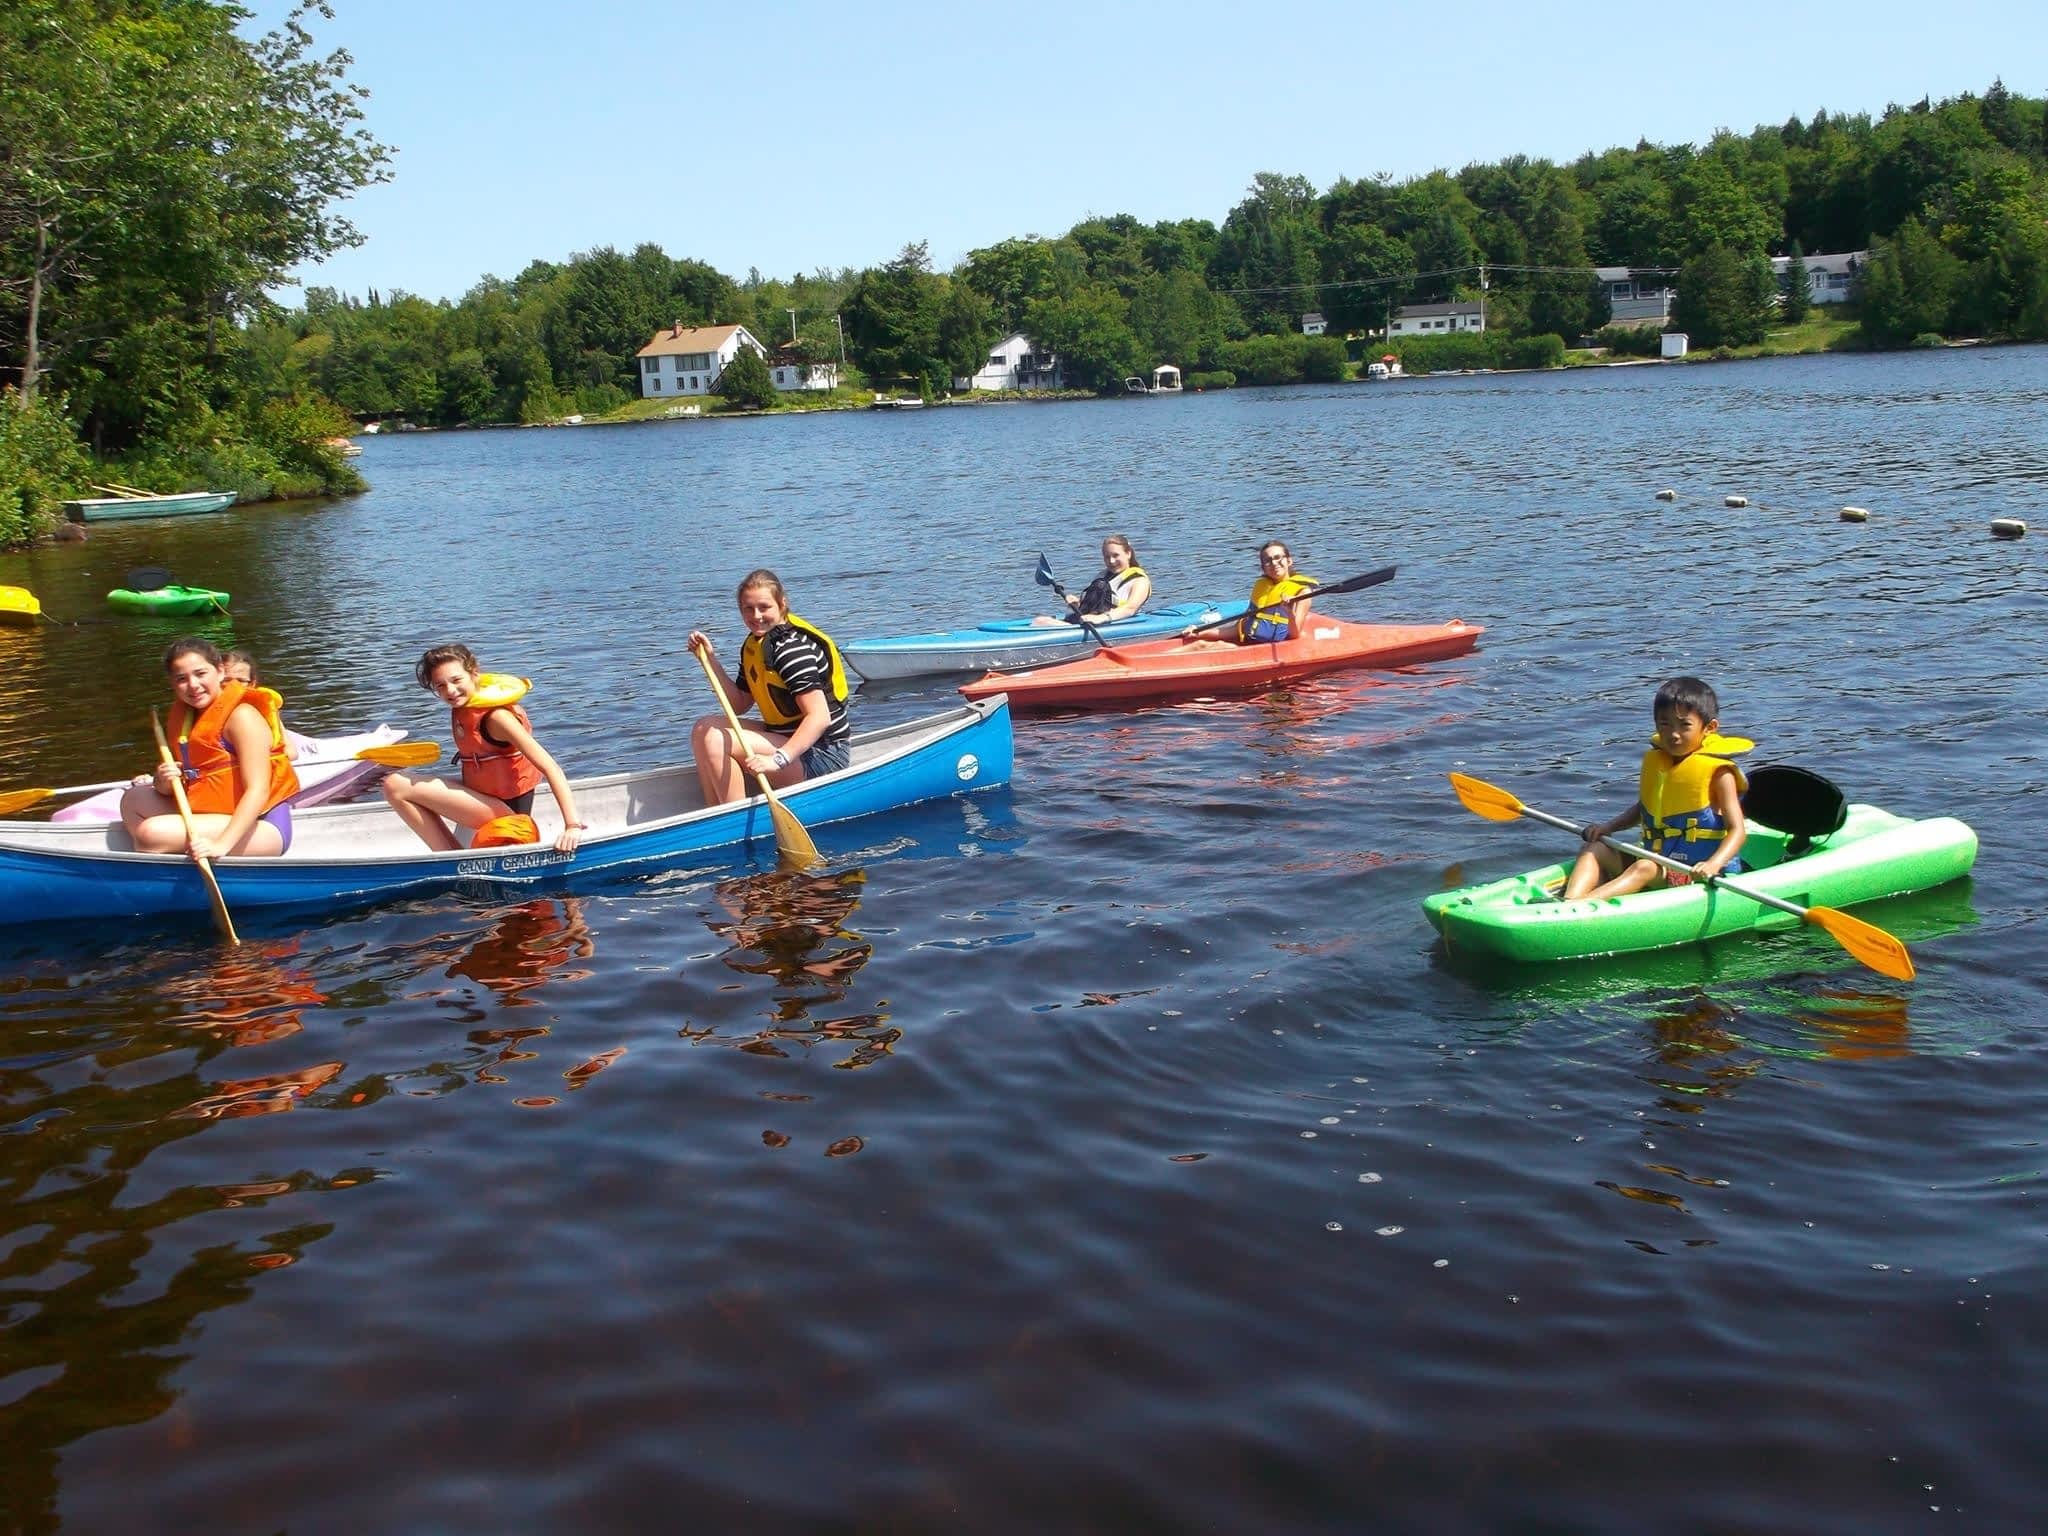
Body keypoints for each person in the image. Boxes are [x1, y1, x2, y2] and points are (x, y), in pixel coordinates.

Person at [382, 644, 585, 854]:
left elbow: (551, 767)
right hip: (487, 797)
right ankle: (451, 855)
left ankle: (450, 859)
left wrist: (572, 826)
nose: (450, 691)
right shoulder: (465, 709)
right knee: (401, 780)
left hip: (511, 817)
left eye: (456, 680)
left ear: (474, 674)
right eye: (440, 686)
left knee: (395, 785)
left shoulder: (497, 719)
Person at [1562, 676, 1750, 901]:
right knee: (1595, 848)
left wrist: (1713, 864)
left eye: (1685, 725)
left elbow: (1737, 830)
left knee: (1645, 868)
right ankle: (1569, 901)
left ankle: (1582, 907)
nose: (1674, 734)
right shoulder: (1660, 763)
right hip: (1658, 863)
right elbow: (1644, 809)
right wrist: (1608, 827)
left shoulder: (1720, 773)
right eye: (1665, 724)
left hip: (1694, 873)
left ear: (1709, 727)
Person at [120, 637, 302, 858]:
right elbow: (193, 779)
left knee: (150, 834)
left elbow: (258, 791)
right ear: (172, 683)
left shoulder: (242, 717)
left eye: (200, 673)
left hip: (261, 825)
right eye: (181, 679)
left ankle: (166, 862)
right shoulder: (190, 719)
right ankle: (177, 858)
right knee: (133, 800)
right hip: (213, 814)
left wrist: (220, 846)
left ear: (220, 671)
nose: (193, 685)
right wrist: (163, 783)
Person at [689, 569, 851, 806]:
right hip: (786, 738)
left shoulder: (791, 650)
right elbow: (739, 704)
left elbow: (820, 718)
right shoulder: (755, 645)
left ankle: (730, 818)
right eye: (748, 608)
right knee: (703, 728)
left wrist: (778, 760)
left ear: (782, 604)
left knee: (716, 739)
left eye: (764, 607)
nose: (756, 616)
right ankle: (714, 810)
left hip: (822, 754)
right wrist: (709, 660)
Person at [1183, 540, 1316, 646]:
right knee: (1200, 643)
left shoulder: (1302, 592)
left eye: (1278, 558)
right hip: (1249, 642)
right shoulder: (1261, 587)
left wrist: (1289, 613)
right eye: (1267, 561)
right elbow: (1237, 629)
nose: (1274, 563)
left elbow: (1295, 635)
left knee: (1211, 647)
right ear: (1263, 567)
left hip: (1272, 648)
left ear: (1289, 560)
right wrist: (1199, 632)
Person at [221, 649, 319, 760]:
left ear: (252, 683)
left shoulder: (265, 708)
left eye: (240, 680)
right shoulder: (202, 708)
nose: (233, 685)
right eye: (226, 680)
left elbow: (291, 753)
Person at [1034, 535, 1151, 626]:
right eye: (1107, 556)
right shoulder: (1102, 575)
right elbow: (1094, 603)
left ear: (1128, 554)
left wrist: (1101, 618)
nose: (1111, 561)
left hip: (1112, 625)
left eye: (1116, 555)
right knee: (1039, 620)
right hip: (1087, 622)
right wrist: (1076, 603)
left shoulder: (1140, 581)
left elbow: (1130, 609)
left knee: (1040, 622)